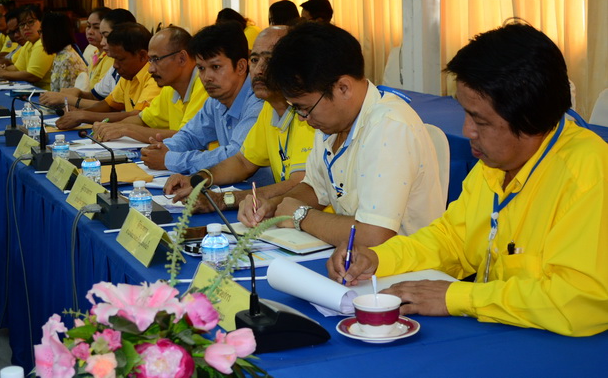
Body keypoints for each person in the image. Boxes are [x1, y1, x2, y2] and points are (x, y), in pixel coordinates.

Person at [328, 22, 608, 337]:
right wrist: (378, 259)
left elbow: (578, 300)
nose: (467, 131)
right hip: (504, 332)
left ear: (530, 120)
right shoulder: (497, 163)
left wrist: (456, 297)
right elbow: (452, 240)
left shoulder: (587, 174)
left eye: (481, 121)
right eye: (465, 113)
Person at [238, 23, 444, 248]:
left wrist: (301, 216)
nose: (303, 118)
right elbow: (315, 188)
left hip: (402, 263)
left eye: (304, 108)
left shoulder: (390, 128)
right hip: (352, 258)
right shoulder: (331, 123)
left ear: (343, 88)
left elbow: (374, 236)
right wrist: (273, 206)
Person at [163, 25, 315, 212]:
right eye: (255, 60)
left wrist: (222, 200)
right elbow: (242, 162)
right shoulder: (269, 108)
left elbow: (300, 186)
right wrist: (197, 179)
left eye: (269, 60)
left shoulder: (309, 115)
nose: (258, 70)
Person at [140, 22, 269, 187]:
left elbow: (234, 155)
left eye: (216, 67)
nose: (207, 77)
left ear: (241, 66)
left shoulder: (259, 102)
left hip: (262, 194)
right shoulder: (215, 100)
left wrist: (170, 159)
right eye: (201, 68)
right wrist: (162, 148)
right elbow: (190, 136)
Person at [91, 26, 209, 143]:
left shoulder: (205, 85)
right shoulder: (170, 88)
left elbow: (187, 138)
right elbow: (143, 120)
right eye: (150, 60)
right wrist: (111, 128)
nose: (150, 69)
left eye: (156, 59)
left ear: (182, 58)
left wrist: (126, 130)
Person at [54, 22, 161, 129]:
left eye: (120, 59)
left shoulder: (154, 77)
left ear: (142, 56)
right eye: (113, 59)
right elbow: (109, 105)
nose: (115, 65)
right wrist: (79, 113)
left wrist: (84, 116)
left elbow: (139, 116)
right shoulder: (129, 75)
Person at [39, 8, 133, 110]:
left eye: (105, 35)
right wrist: (78, 93)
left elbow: (112, 108)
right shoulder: (101, 57)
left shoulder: (112, 62)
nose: (102, 42)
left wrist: (69, 100)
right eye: (88, 26)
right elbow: (98, 97)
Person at [0, 5, 54, 90]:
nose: (25, 27)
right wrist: (1, 69)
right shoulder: (28, 43)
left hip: (49, 93)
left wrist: (3, 73)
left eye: (30, 22)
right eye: (22, 24)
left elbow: (33, 76)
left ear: (41, 22)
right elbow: (17, 68)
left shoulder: (42, 43)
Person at [40, 11, 87, 92]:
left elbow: (65, 97)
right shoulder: (61, 55)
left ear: (52, 33)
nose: (40, 36)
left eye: (41, 31)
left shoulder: (67, 60)